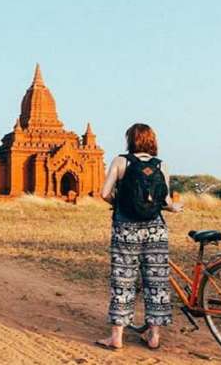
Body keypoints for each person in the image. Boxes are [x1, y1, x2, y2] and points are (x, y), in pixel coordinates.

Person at [96, 123, 183, 351]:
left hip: (125, 228)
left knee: (122, 280)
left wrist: (120, 204)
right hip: (156, 230)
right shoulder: (160, 165)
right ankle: (154, 336)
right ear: (152, 141)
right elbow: (165, 200)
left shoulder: (120, 161)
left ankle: (116, 337)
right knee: (157, 281)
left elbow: (104, 193)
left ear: (130, 140)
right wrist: (175, 208)